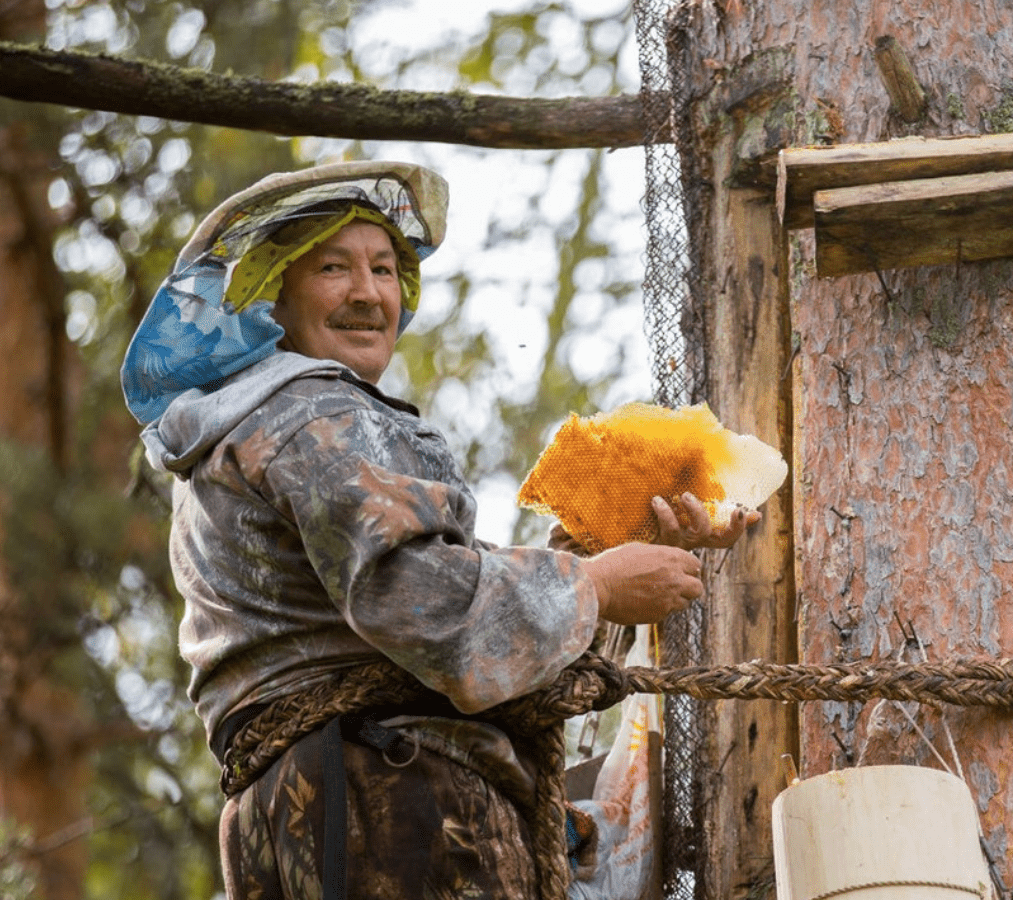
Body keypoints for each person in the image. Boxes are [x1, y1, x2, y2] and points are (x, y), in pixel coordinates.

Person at [120, 160, 758, 900]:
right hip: (381, 800)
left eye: (386, 269)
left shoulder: (248, 428)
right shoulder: (313, 416)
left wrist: (607, 551)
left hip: (320, 807)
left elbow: (437, 605)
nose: (367, 292)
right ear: (274, 296)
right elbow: (426, 604)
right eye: (334, 267)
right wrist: (599, 584)